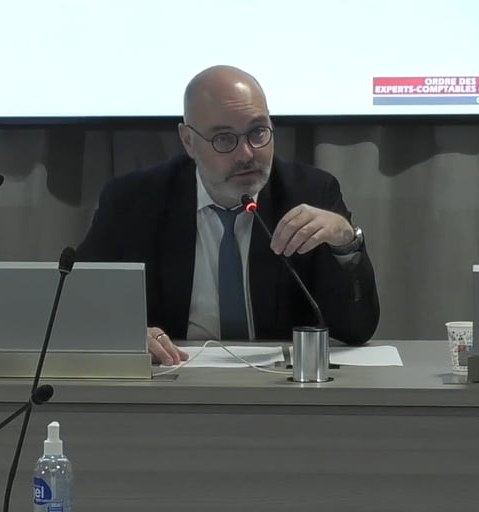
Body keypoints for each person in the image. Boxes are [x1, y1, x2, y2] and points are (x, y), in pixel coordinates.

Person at [77, 65, 380, 365]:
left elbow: (356, 329)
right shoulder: (134, 201)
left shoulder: (311, 193)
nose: (247, 154)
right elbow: (77, 304)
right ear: (188, 141)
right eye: (224, 138)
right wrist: (125, 334)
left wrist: (346, 243)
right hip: (172, 378)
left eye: (258, 132)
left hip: (280, 383)